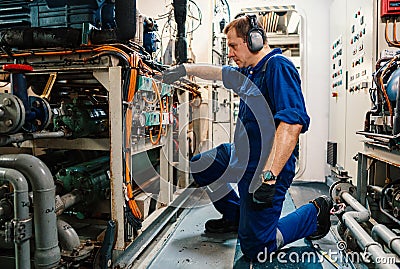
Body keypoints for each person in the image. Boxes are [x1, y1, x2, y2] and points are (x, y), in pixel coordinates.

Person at [163, 14, 333, 261]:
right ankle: (235, 217)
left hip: (265, 166)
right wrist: (184, 69)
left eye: (233, 46)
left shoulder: (278, 67)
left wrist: (269, 176)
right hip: (241, 154)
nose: (230, 53)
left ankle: (314, 213)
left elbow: (291, 124)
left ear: (254, 40)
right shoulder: (250, 71)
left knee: (256, 248)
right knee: (201, 165)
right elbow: (218, 73)